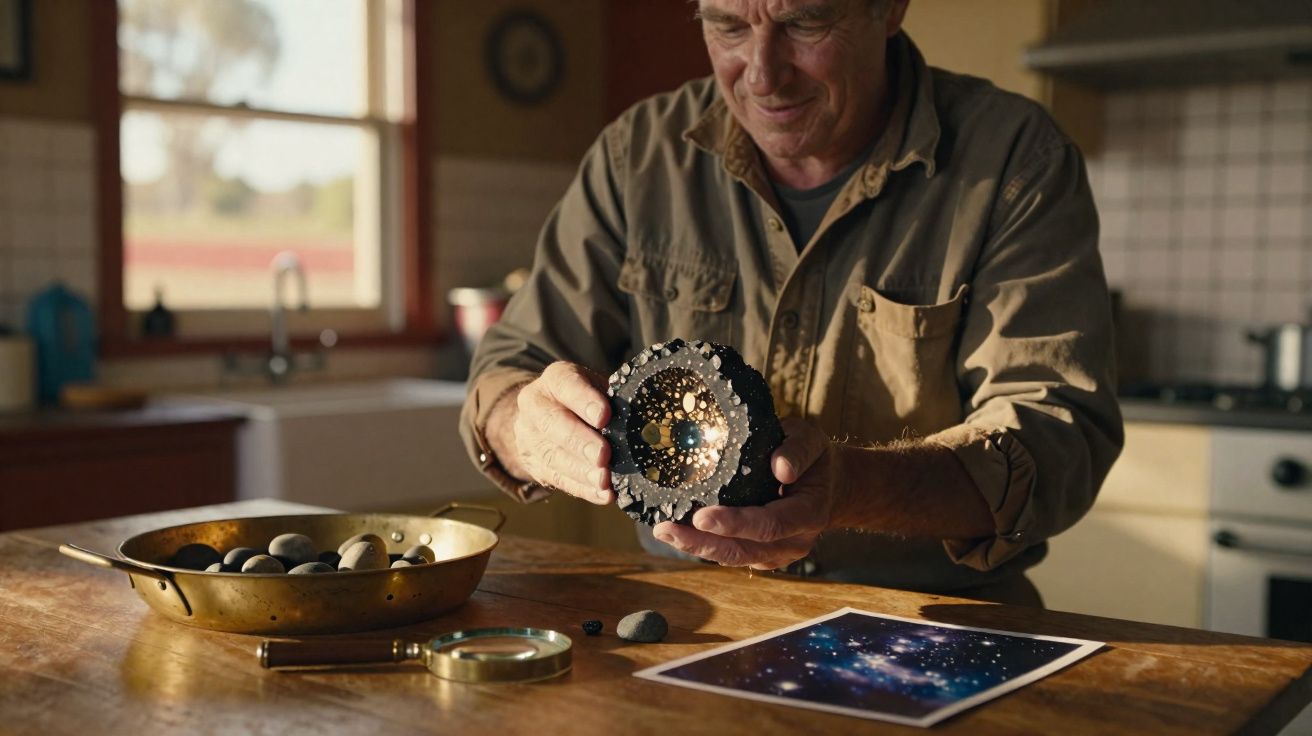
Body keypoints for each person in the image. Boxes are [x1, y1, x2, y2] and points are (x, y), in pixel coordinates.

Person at [459, 0, 1123, 606]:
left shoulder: (1014, 159)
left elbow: (1056, 437)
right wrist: (526, 429)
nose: (762, 75)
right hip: (685, 616)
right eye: (727, 25)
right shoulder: (636, 157)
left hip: (934, 622)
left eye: (805, 23)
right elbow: (512, 367)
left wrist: (850, 488)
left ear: (888, 9)